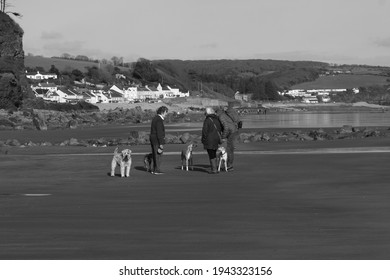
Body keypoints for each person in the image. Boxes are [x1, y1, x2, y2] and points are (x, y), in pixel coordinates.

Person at [216, 105, 240, 171]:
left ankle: (229, 166)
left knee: (230, 150)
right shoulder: (224, 114)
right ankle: (229, 165)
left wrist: (223, 137)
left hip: (232, 133)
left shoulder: (221, 116)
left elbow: (226, 128)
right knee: (230, 149)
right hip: (234, 131)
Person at [201, 107, 222, 174]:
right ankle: (215, 168)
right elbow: (220, 129)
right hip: (216, 139)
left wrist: (203, 139)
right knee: (214, 153)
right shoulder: (217, 119)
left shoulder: (207, 120)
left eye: (205, 112)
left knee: (211, 154)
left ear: (207, 113)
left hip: (209, 139)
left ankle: (214, 169)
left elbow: (205, 131)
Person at [149, 106, 168, 175]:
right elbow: (159, 132)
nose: (166, 114)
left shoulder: (155, 118)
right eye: (166, 112)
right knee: (158, 155)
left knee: (155, 154)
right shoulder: (159, 120)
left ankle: (154, 169)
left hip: (153, 138)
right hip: (156, 139)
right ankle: (156, 170)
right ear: (162, 112)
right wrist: (161, 143)